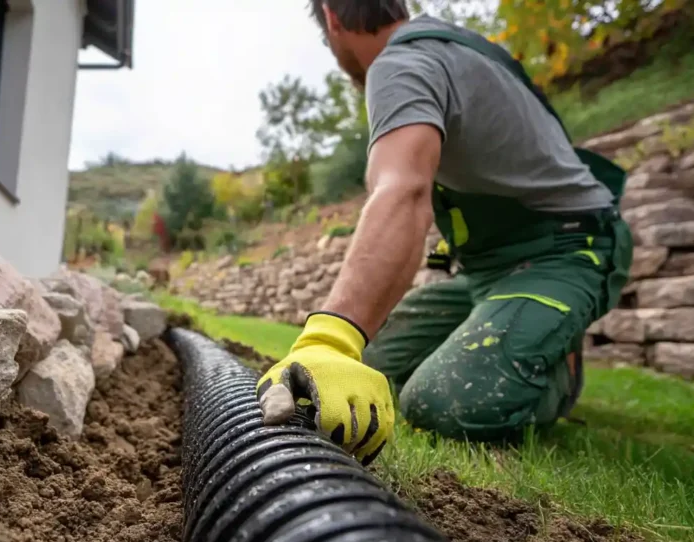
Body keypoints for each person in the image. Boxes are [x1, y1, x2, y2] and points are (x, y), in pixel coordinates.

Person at [255, 0, 633, 466]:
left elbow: (403, 191)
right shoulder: (446, 50)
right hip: (486, 271)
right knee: (369, 367)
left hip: (566, 251)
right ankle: (507, 329)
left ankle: (559, 370)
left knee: (444, 402)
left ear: (332, 18)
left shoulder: (401, 62)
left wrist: (330, 338)